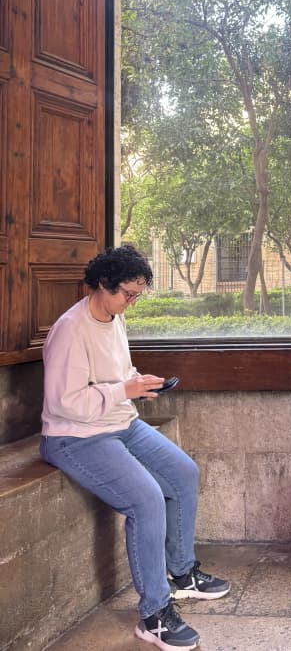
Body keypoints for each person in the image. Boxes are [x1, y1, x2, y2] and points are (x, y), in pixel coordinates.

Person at [40, 245, 230, 651]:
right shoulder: (70, 330)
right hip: (75, 436)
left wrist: (138, 386)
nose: (132, 301)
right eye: (127, 293)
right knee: (146, 501)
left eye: (138, 294)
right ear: (101, 286)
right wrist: (121, 390)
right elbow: (63, 403)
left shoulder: (113, 318)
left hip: (120, 423)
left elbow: (118, 375)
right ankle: (154, 615)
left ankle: (181, 574)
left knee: (183, 474)